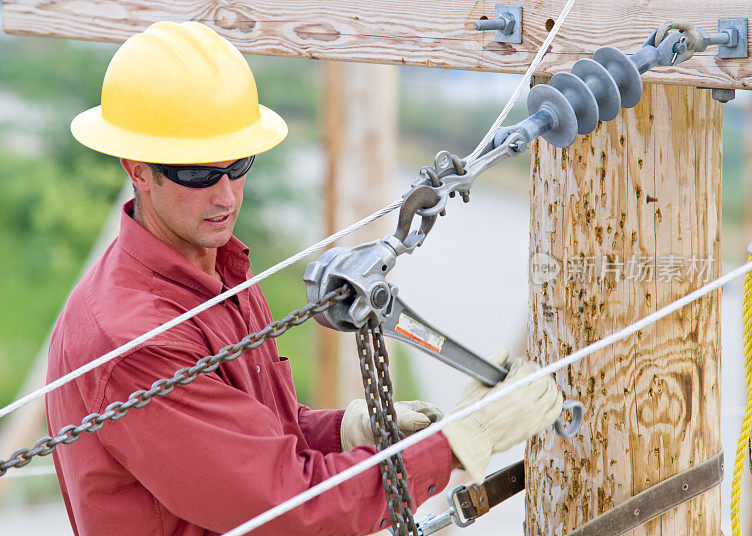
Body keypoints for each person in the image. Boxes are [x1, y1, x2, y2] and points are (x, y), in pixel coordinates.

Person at [45, 21, 563, 536]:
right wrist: (456, 444)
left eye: (239, 165)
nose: (226, 196)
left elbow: (254, 436)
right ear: (136, 167)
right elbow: (287, 505)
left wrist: (340, 431)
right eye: (200, 174)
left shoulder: (219, 269)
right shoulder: (133, 338)